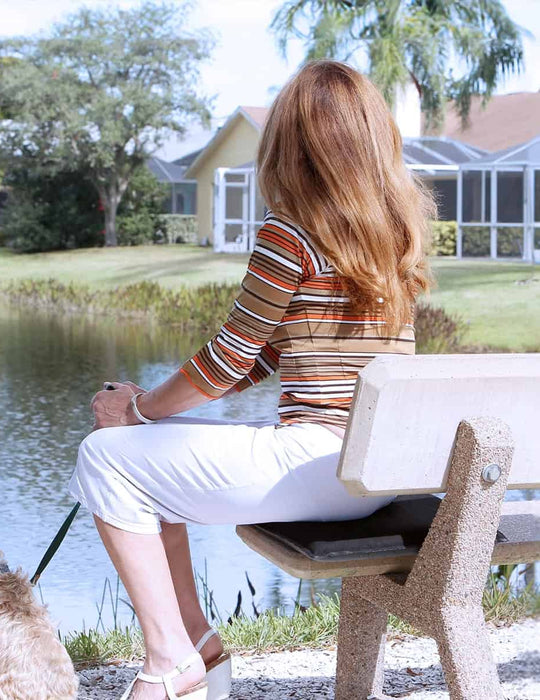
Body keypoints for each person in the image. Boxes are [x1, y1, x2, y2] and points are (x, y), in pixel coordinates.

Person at [69, 59, 435, 700]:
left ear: (291, 145)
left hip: (321, 463)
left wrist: (138, 410)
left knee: (106, 457)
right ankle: (197, 647)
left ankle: (168, 662)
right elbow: (264, 357)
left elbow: (225, 361)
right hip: (379, 473)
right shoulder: (396, 234)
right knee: (142, 462)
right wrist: (157, 412)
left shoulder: (290, 232)